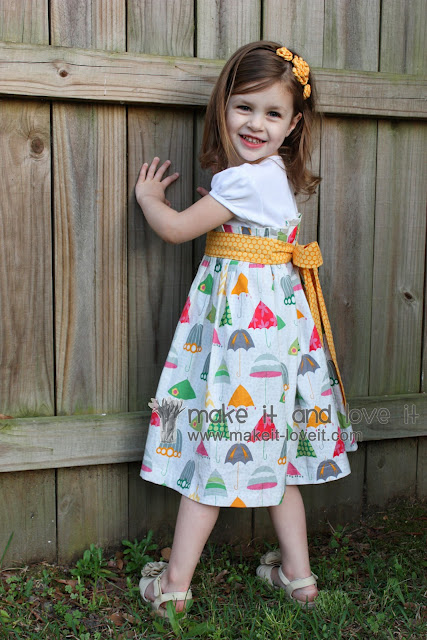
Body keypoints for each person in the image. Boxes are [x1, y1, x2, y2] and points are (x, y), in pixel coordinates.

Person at [135, 41, 359, 618]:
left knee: (214, 448)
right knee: (275, 451)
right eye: (245, 107)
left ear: (293, 124)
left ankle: (174, 586)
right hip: (279, 338)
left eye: (273, 113)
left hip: (241, 342)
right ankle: (299, 577)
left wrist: (150, 198)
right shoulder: (270, 175)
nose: (257, 124)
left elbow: (176, 229)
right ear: (224, 107)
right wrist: (220, 201)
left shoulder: (243, 183)